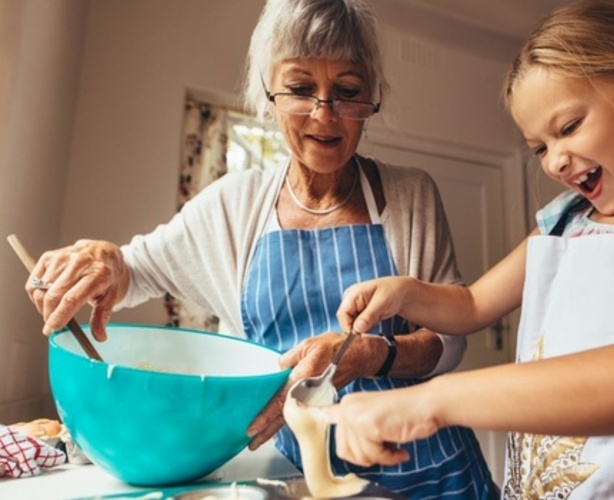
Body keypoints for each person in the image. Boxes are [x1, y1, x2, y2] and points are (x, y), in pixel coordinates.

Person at [24, 0, 497, 497]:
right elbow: (132, 272)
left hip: (429, 472)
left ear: (369, 100)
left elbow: (450, 341)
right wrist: (102, 260)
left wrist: (368, 354)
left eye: (347, 91)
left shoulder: (409, 196)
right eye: (299, 88)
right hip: (297, 473)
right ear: (269, 96)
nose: (324, 114)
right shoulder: (235, 204)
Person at [330, 0, 614, 497]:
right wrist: (405, 294)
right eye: (539, 148)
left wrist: (433, 400)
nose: (555, 162)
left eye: (569, 127)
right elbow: (472, 305)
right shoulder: (564, 223)